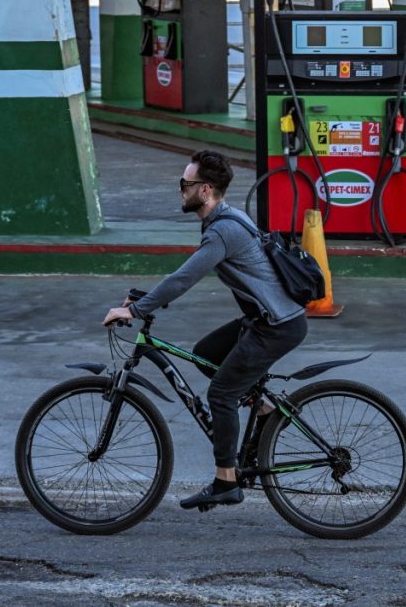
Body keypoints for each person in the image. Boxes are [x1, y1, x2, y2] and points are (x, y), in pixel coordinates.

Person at [102, 150, 308, 510]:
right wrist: (144, 298)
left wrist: (135, 309)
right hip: (268, 317)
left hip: (277, 326)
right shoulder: (227, 219)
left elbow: (185, 278)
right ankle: (264, 411)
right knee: (206, 354)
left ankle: (225, 480)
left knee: (221, 395)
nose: (180, 190)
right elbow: (182, 278)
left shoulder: (222, 231)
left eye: (186, 184)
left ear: (206, 190)